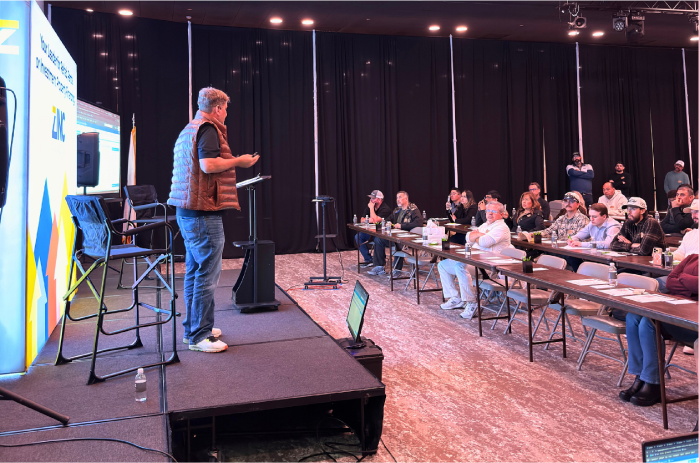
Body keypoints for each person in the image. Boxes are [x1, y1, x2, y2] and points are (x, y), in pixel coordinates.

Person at [168, 87, 260, 353]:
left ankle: (194, 328)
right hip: (202, 214)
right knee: (206, 275)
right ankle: (200, 335)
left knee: (195, 272)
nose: (227, 114)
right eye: (226, 109)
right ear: (218, 108)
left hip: (188, 212)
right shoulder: (208, 129)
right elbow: (208, 165)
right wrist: (239, 161)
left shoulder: (189, 129)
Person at [620, 257, 699, 407]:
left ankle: (653, 382)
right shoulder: (691, 258)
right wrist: (689, 284)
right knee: (632, 317)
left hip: (691, 319)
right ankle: (640, 376)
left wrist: (682, 277)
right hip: (672, 307)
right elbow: (670, 282)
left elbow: (696, 286)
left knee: (648, 322)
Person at [438, 201, 512, 318]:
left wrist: (476, 236)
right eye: (488, 211)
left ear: (502, 214)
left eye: (494, 211)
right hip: (475, 261)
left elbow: (484, 242)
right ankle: (455, 298)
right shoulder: (485, 225)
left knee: (460, 266)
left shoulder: (502, 228)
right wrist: (477, 236)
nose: (490, 213)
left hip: (488, 266)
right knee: (442, 265)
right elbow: (468, 238)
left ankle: (471, 303)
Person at [367, 191, 421, 277]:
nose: (397, 199)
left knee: (398, 243)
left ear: (406, 199)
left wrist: (401, 226)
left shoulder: (413, 209)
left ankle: (397, 270)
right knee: (378, 239)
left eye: (400, 197)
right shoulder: (397, 210)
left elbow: (418, 223)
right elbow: (388, 219)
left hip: (407, 239)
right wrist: (387, 223)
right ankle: (379, 267)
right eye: (397, 198)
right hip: (395, 236)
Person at [355, 190, 393, 267]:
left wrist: (371, 209)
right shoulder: (370, 207)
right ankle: (368, 259)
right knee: (358, 236)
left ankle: (380, 261)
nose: (371, 200)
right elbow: (362, 219)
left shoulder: (385, 209)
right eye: (371, 198)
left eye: (373, 198)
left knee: (377, 239)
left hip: (382, 234)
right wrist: (369, 219)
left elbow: (375, 220)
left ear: (379, 200)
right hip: (372, 232)